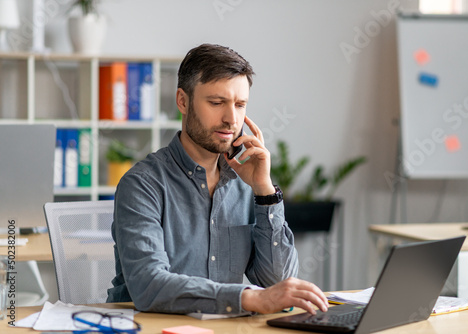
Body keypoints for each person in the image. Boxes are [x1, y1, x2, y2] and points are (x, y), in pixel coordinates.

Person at [107, 43, 329, 315]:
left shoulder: (246, 183)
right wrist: (248, 298)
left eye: (240, 105)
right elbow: (149, 286)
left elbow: (278, 284)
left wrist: (264, 191)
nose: (231, 119)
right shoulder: (142, 184)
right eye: (216, 103)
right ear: (183, 101)